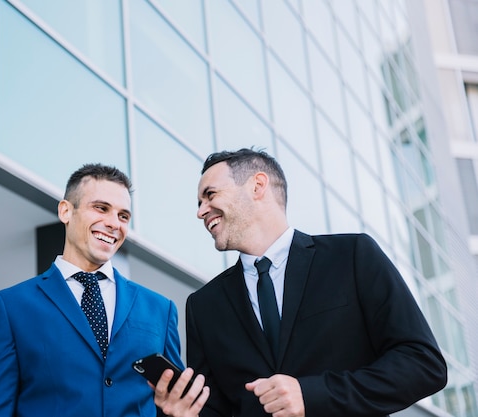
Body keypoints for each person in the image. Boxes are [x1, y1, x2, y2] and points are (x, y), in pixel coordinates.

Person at [154, 148, 447, 417]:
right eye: (199, 202)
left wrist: (312, 395)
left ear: (257, 186)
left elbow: (423, 364)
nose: (201, 211)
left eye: (210, 195)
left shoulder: (352, 256)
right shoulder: (204, 305)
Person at [0, 163, 184, 417]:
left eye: (123, 216)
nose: (114, 223)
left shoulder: (160, 309)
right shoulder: (10, 307)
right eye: (101, 208)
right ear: (66, 211)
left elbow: (174, 404)